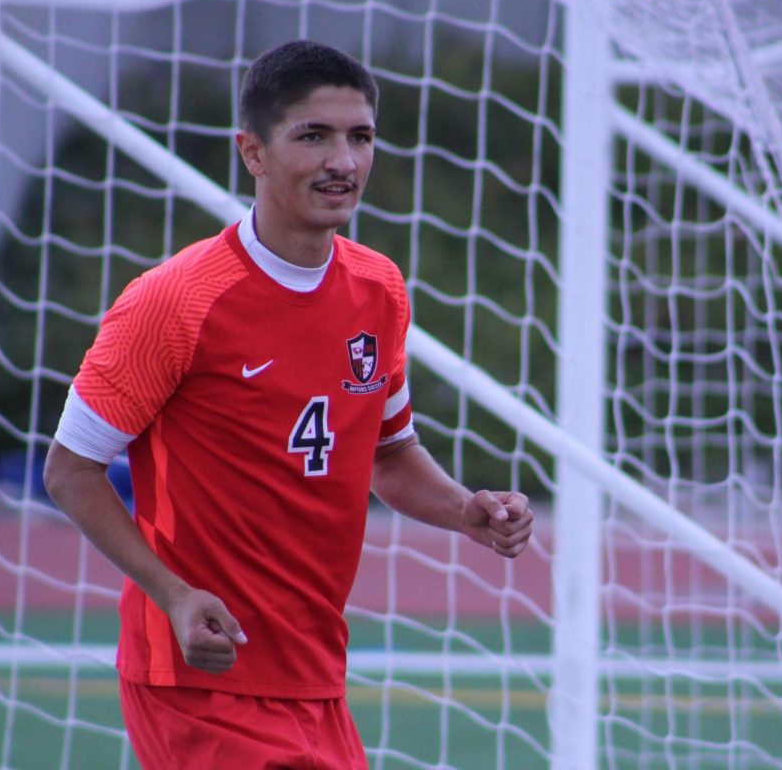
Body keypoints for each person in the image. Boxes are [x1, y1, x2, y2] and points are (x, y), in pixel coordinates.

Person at [43, 40, 534, 769]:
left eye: (360, 136)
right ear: (253, 153)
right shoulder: (176, 302)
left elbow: (390, 454)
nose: (343, 160)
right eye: (314, 135)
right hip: (199, 678)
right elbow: (69, 469)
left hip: (314, 676)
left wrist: (466, 510)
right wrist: (173, 596)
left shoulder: (380, 290)